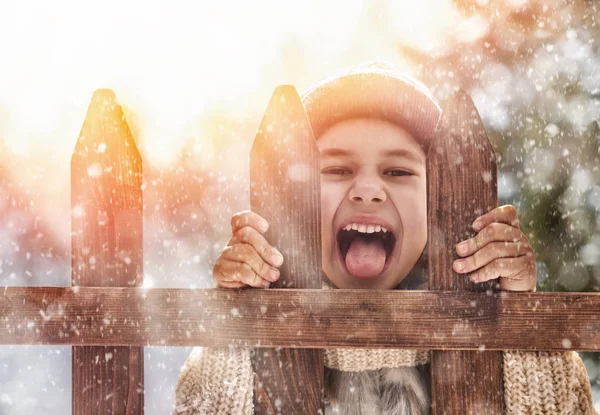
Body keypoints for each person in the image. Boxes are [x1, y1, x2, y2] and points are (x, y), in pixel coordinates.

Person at [174, 61, 597, 414]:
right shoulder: (267, 314)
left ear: (437, 203)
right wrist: (231, 325)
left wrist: (522, 325)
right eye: (337, 171)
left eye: (398, 172)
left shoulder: (475, 316)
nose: (368, 189)